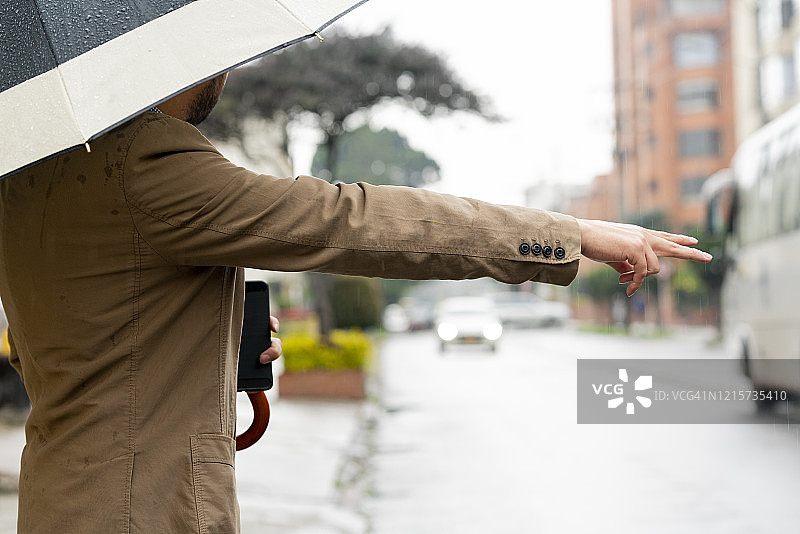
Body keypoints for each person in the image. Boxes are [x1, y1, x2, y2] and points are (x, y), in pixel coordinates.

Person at [0, 73, 710, 533]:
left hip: (59, 500)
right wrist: (570, 234)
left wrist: (206, 347)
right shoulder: (146, 162)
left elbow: (86, 349)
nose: (229, 72)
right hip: (141, 513)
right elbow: (350, 221)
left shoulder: (31, 175)